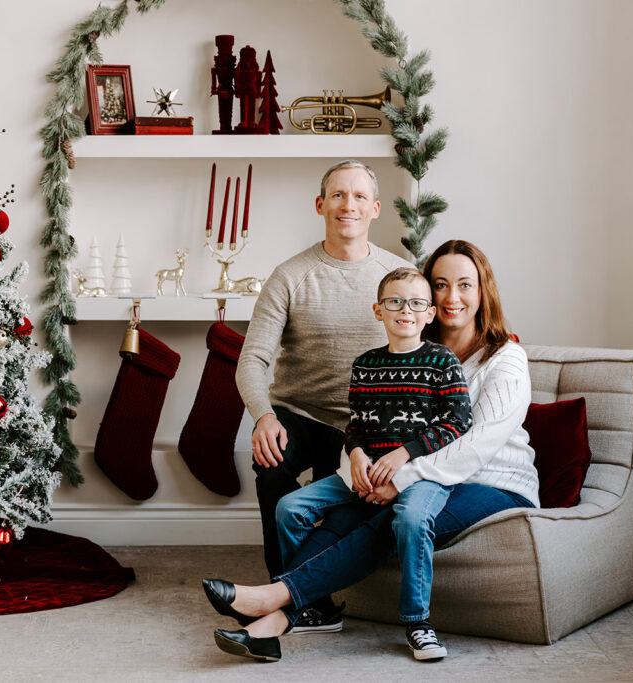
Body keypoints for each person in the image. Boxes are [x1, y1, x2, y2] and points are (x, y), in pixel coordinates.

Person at [205, 240, 540, 663]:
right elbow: (366, 423)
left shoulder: (505, 358)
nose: (453, 297)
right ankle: (272, 625)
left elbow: (476, 446)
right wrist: (359, 468)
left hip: (491, 482)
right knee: (342, 514)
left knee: (389, 519)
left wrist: (396, 480)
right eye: (441, 284)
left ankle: (272, 604)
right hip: (420, 477)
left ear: (483, 291)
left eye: (465, 285)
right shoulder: (410, 351)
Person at [235, 160, 412, 631]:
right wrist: (263, 416)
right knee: (271, 459)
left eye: (358, 197)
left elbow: (432, 346)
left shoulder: (399, 274)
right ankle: (296, 595)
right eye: (337, 195)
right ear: (320, 205)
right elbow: (252, 358)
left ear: (375, 208)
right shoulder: (290, 275)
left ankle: (288, 598)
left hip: (375, 426)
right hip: (302, 414)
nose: (347, 205)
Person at [267, 266, 472, 655]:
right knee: (289, 508)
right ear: (379, 310)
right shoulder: (365, 365)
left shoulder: (442, 362)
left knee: (412, 518)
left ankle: (418, 623)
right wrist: (356, 453)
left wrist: (403, 455)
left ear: (429, 313)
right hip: (366, 472)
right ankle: (315, 606)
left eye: (416, 303)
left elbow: (459, 421)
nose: (405, 310)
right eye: (394, 302)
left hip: (417, 475)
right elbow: (356, 424)